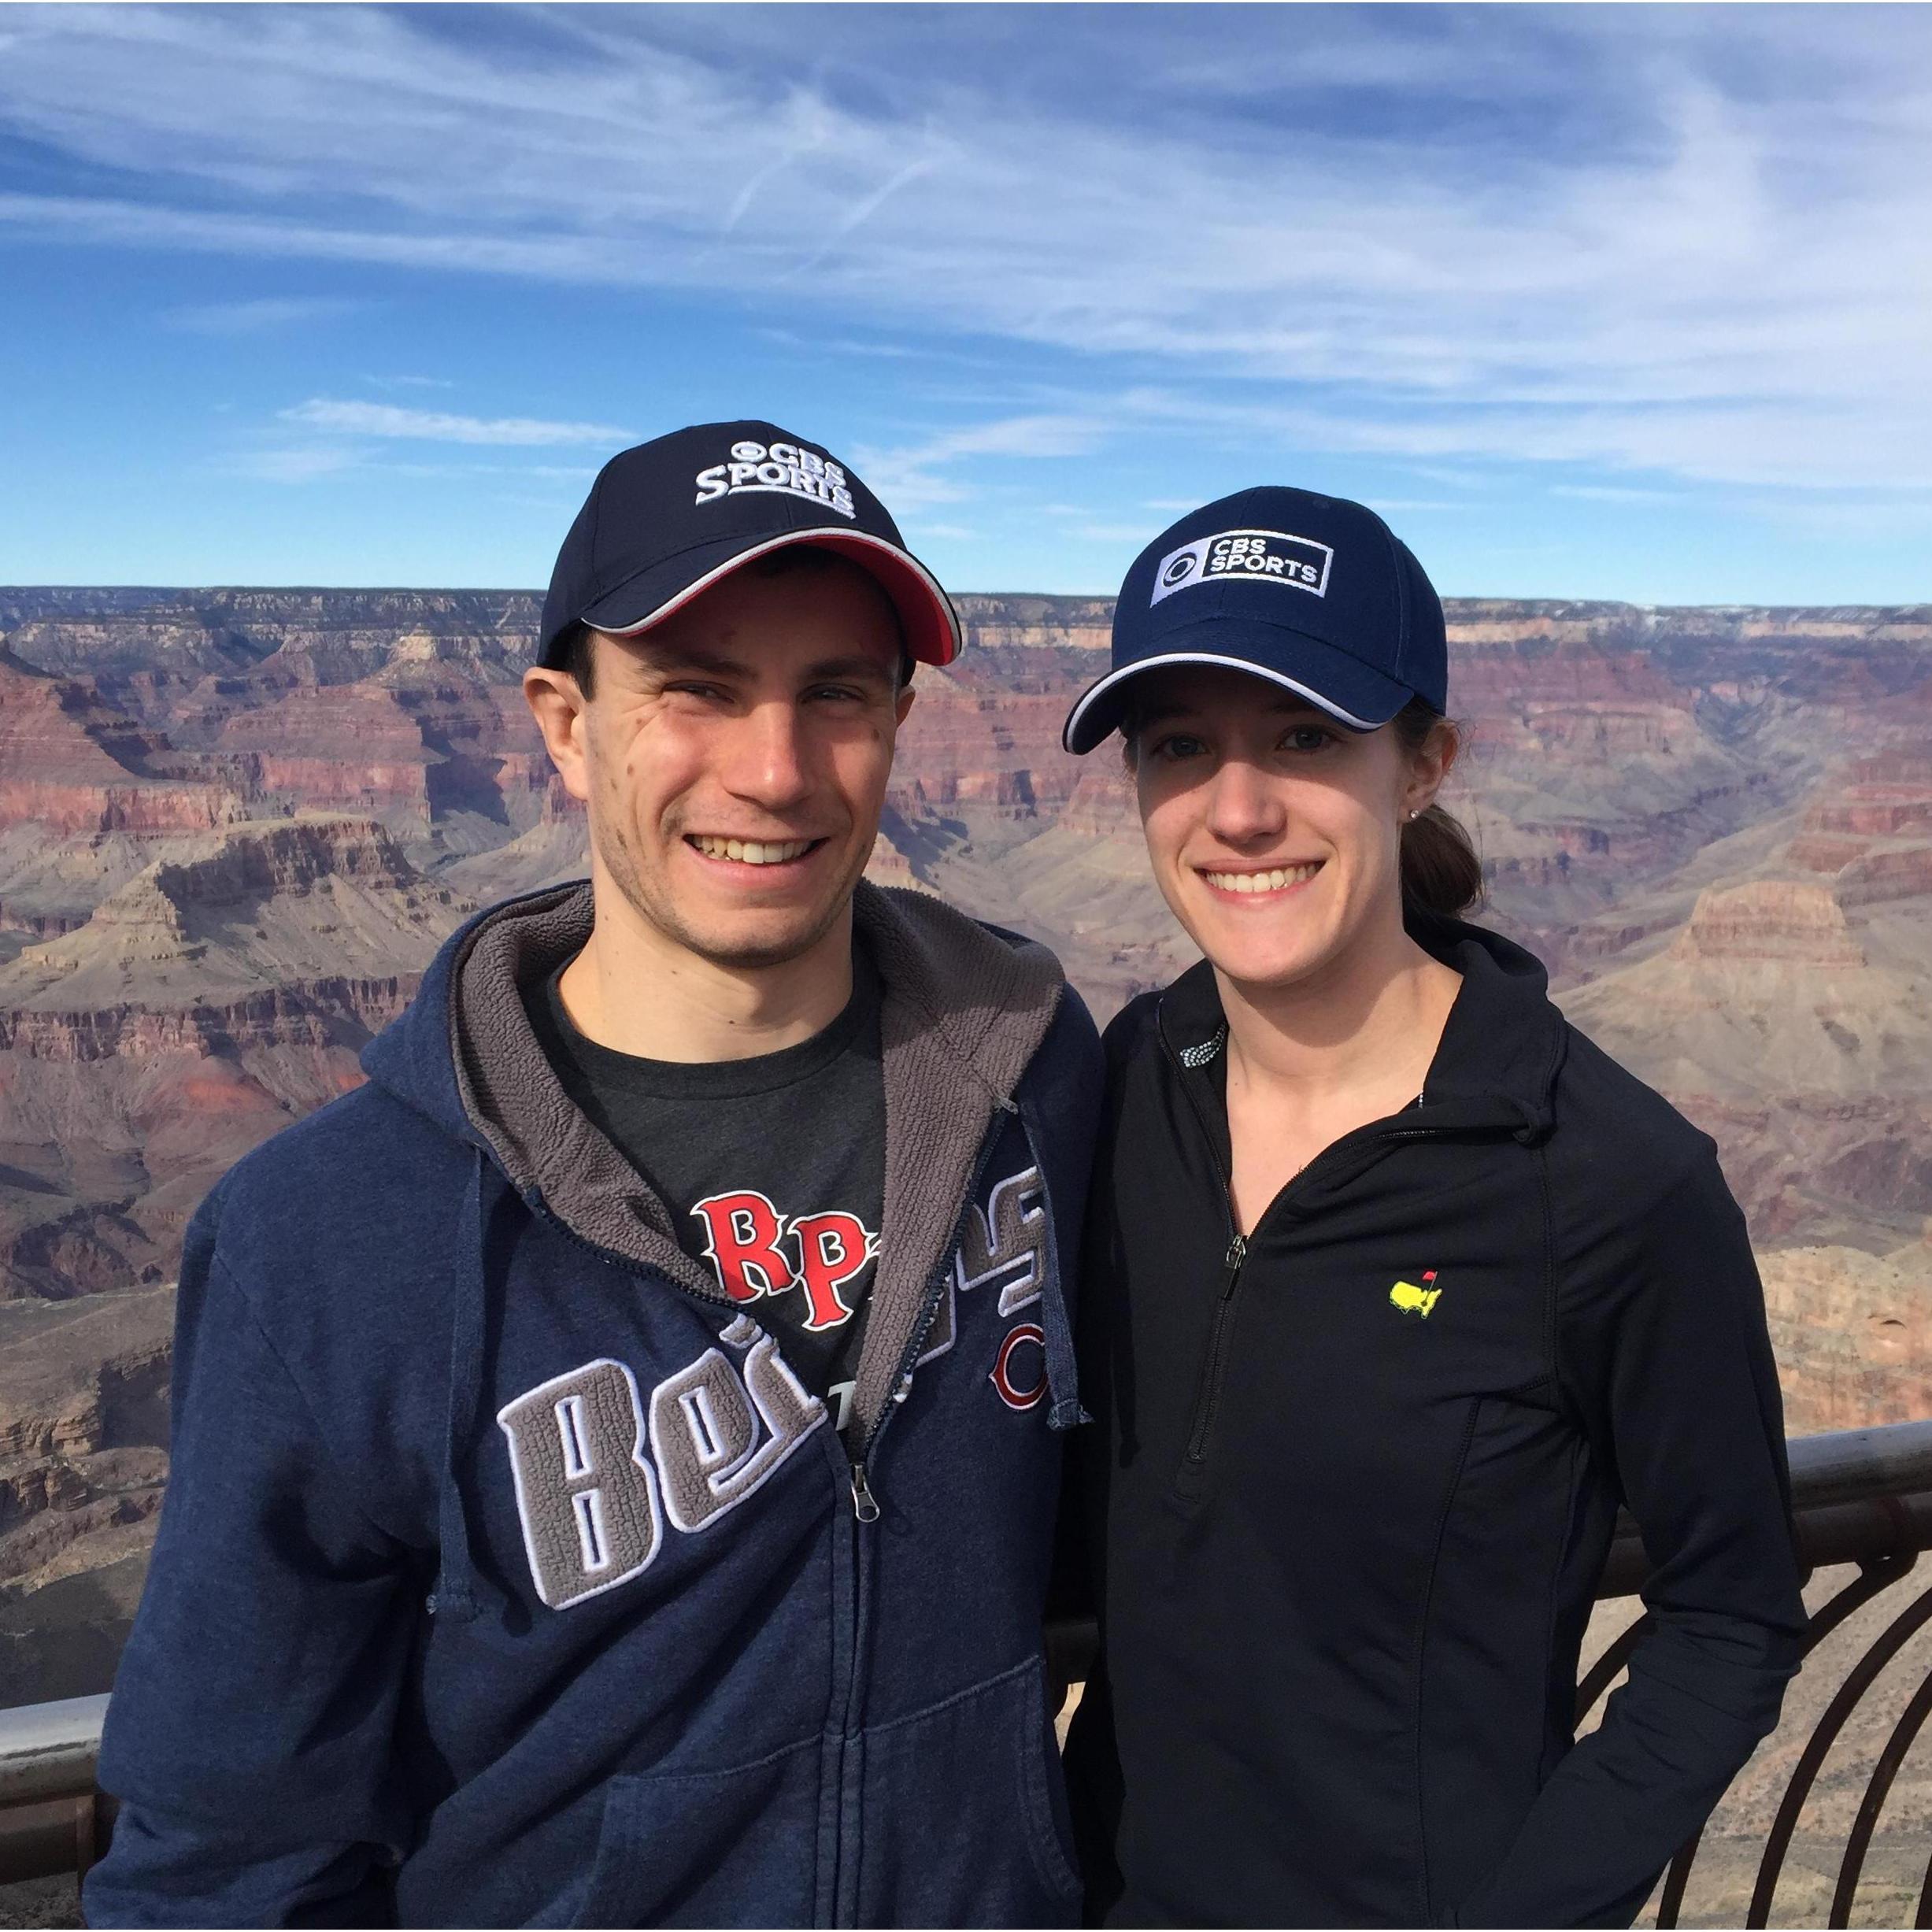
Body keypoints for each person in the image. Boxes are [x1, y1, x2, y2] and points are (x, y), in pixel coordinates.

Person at [87, 420, 1100, 1928]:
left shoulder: (1032, 1069)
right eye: (696, 689)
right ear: (562, 725)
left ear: (899, 724)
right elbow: (225, 1858)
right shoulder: (327, 1238)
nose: (774, 770)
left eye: (836, 695)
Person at [1057, 489, 1807, 1928]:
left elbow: (1731, 1613)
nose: (1236, 809)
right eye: (1178, 747)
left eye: (1302, 738)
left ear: (1420, 765)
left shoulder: (1608, 1180)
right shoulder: (1129, 1078)